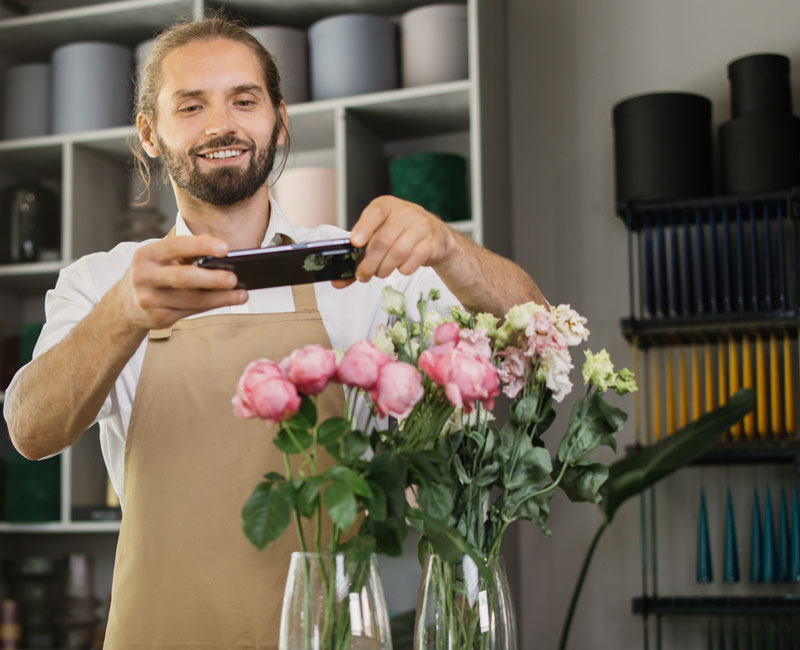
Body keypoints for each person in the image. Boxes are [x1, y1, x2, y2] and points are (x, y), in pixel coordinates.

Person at [3, 16, 546, 649]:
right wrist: (123, 312)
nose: (220, 125)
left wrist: (450, 250)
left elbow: (535, 347)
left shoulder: (361, 271)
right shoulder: (102, 282)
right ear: (149, 134)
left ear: (279, 119)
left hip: (332, 638)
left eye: (244, 100)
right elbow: (29, 431)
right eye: (191, 105)